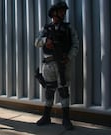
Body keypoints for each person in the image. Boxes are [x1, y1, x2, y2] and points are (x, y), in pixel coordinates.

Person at [34, 1, 79, 130]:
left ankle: (66, 119)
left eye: (64, 11)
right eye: (61, 11)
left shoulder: (68, 28)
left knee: (63, 90)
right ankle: (46, 116)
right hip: (48, 64)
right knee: (49, 90)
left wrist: (68, 57)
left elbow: (75, 44)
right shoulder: (46, 28)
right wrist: (45, 41)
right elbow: (36, 42)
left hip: (63, 63)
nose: (63, 13)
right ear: (54, 13)